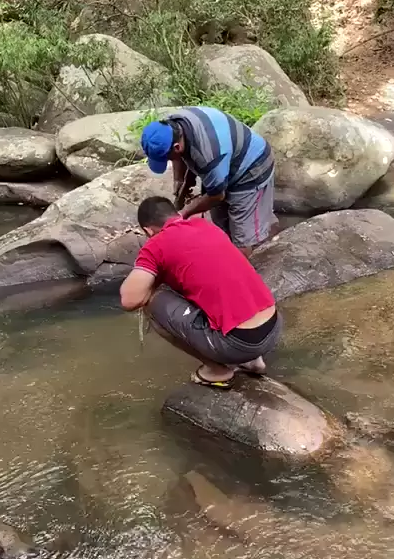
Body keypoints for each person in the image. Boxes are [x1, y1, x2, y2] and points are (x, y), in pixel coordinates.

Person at [120, 196, 281, 389]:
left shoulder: (156, 245)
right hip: (273, 328)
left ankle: (217, 370)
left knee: (152, 301)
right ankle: (254, 361)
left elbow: (130, 300)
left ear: (148, 231)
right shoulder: (205, 226)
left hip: (239, 343)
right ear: (176, 215)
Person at [140, 106, 276, 257]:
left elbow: (217, 196)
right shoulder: (171, 125)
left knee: (242, 237)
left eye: (167, 158)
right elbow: (181, 156)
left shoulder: (208, 155)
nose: (169, 161)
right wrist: (181, 181)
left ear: (177, 147)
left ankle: (244, 262)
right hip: (225, 162)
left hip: (251, 169)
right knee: (221, 223)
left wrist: (184, 212)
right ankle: (226, 253)